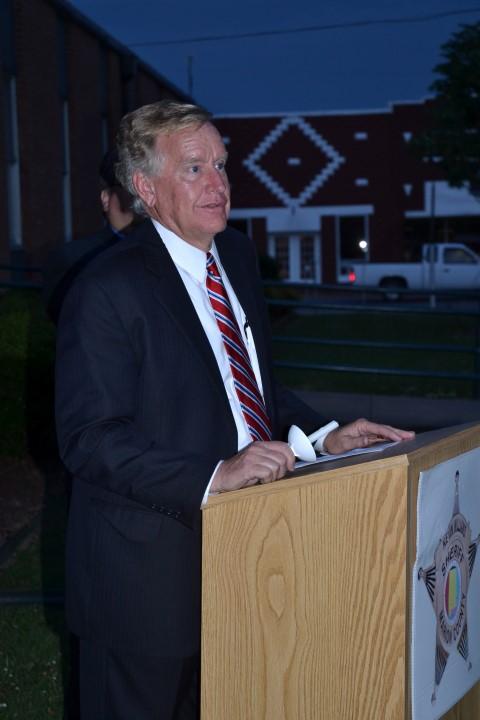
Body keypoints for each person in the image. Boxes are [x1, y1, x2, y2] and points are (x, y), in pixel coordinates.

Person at [55, 99, 414, 720]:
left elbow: (247, 388)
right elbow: (91, 438)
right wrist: (213, 475)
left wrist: (321, 439)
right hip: (146, 582)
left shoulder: (238, 259)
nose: (219, 183)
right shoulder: (106, 288)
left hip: (250, 558)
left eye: (222, 164)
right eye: (195, 168)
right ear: (145, 187)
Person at [43, 148, 139, 324]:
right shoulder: (73, 259)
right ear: (106, 198)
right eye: (133, 187)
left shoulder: (172, 253)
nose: (143, 196)